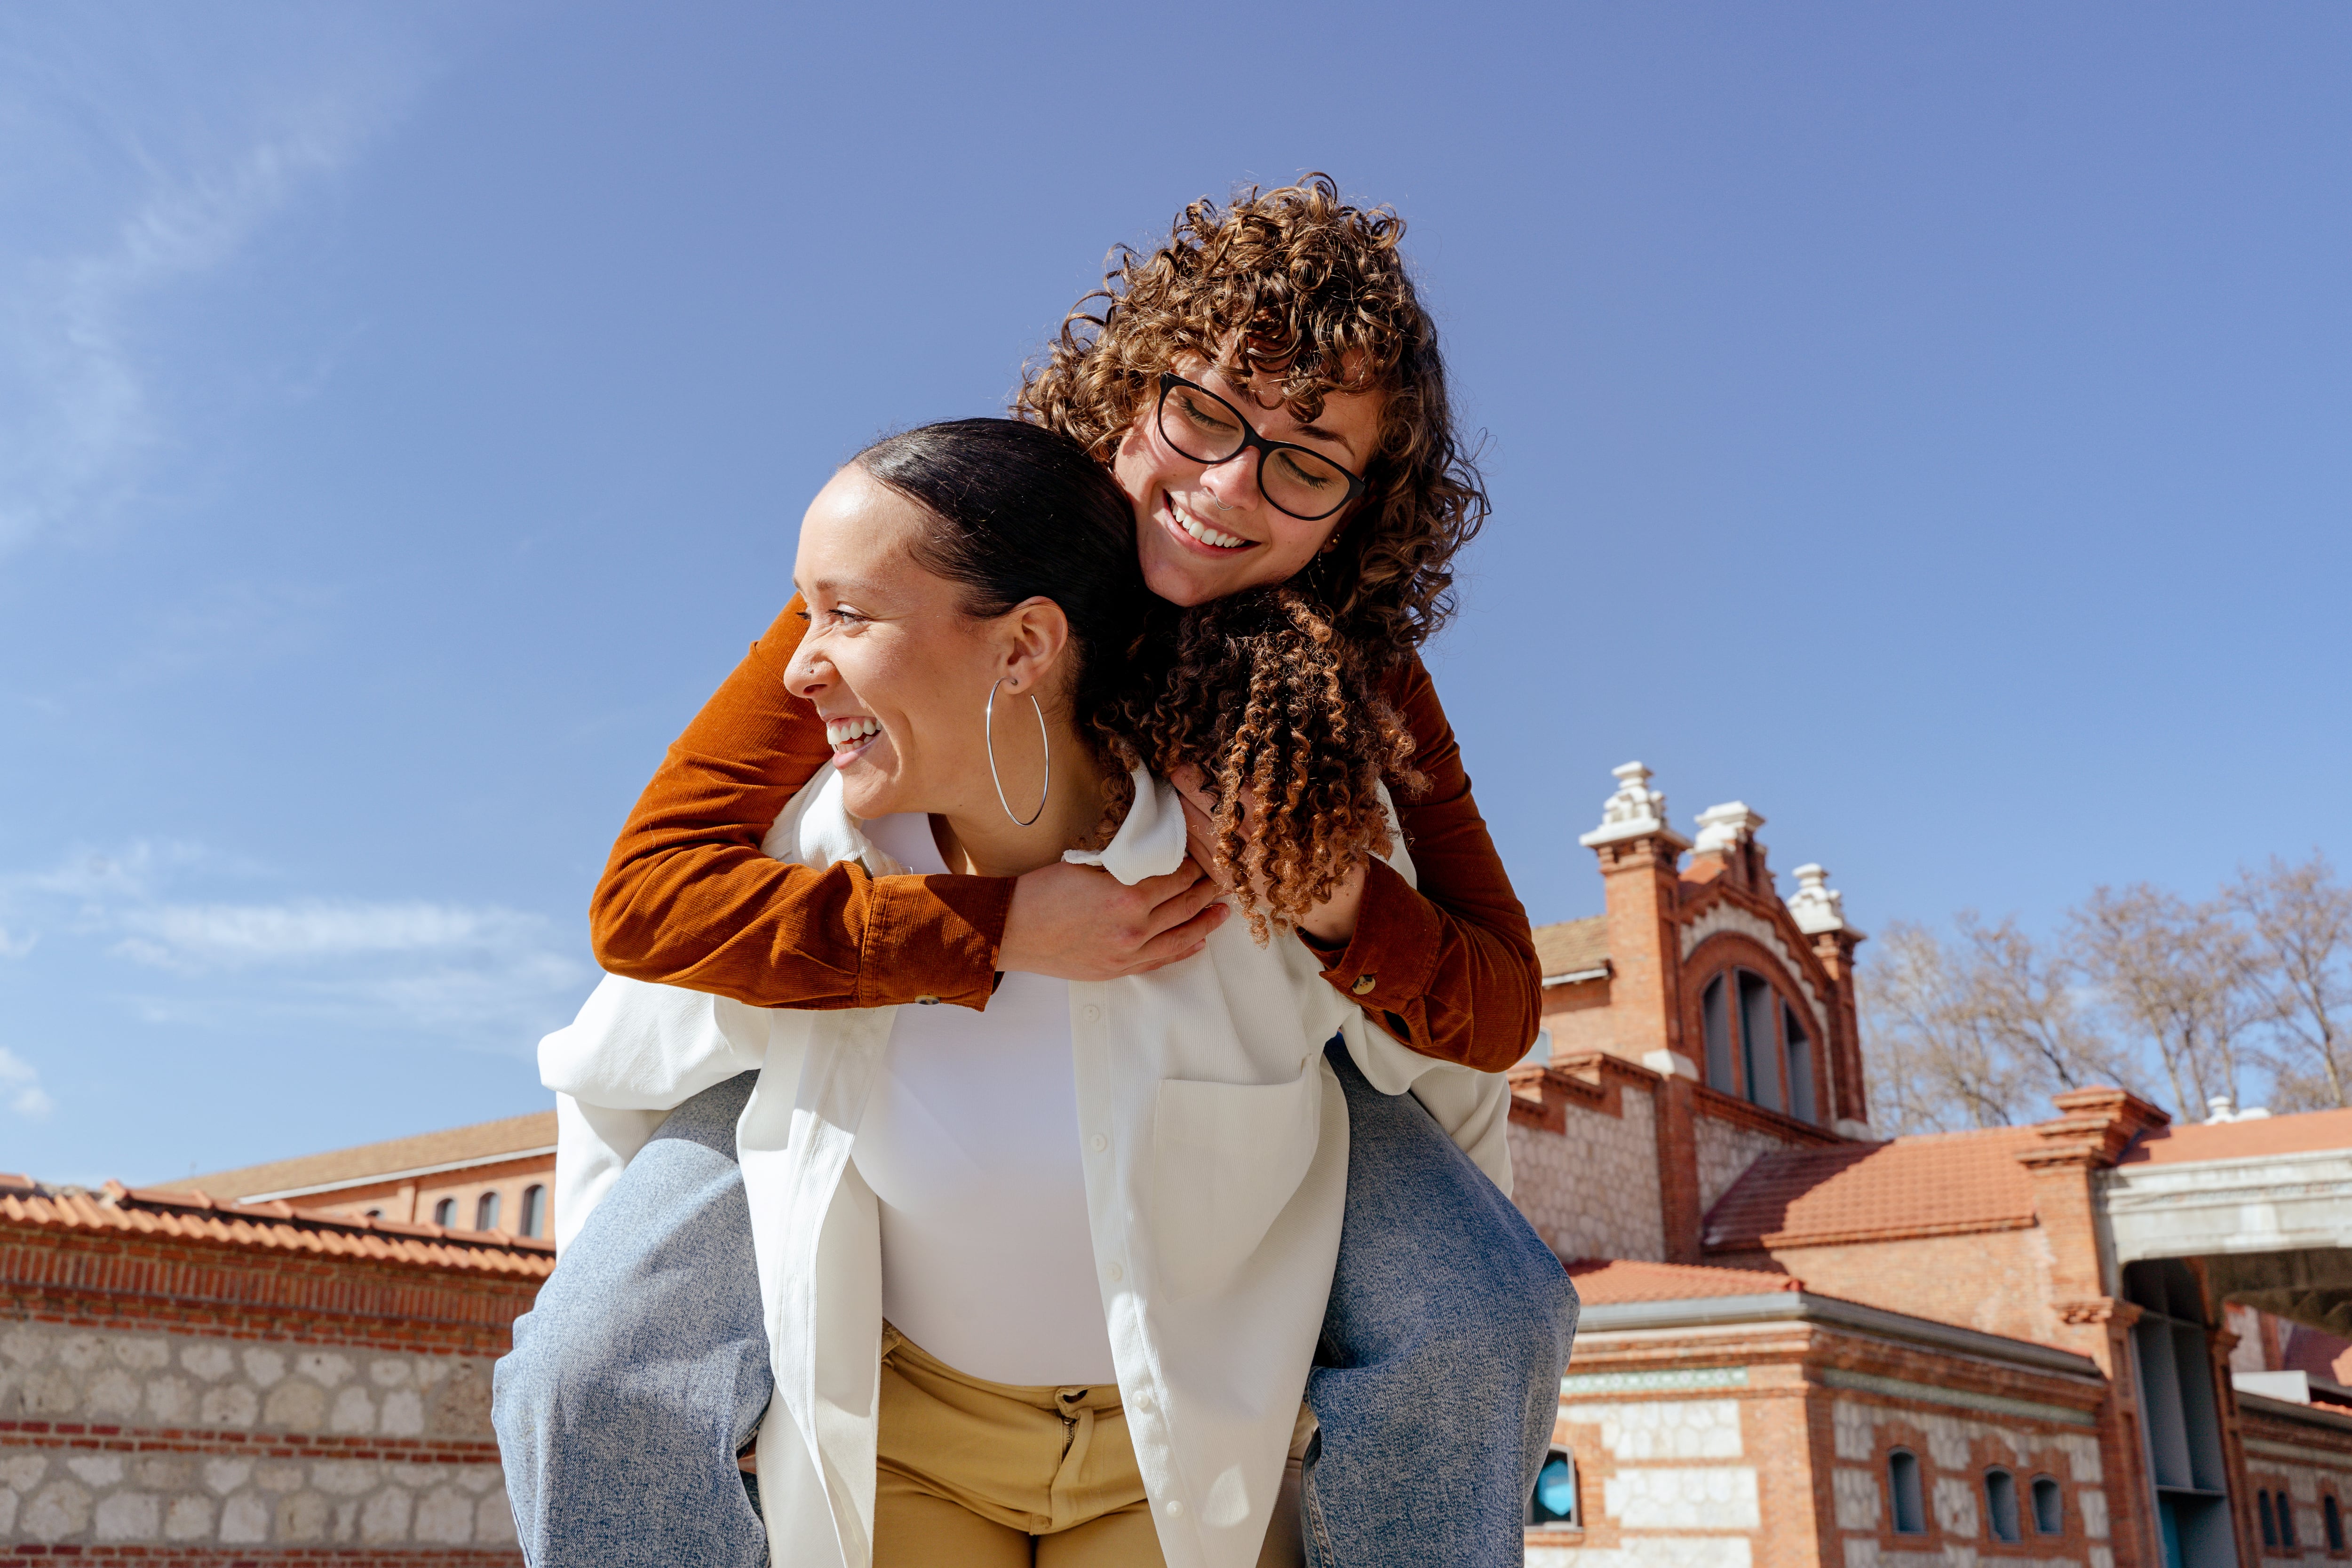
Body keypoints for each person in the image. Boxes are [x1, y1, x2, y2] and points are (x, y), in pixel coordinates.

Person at [504, 177, 1578, 1566]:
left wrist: (1332, 901)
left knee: (1489, 1309)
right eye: (1202, 413)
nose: (1225, 489)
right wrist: (999, 925)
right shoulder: (945, 550)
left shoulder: (1361, 672)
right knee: (589, 1365)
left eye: (1305, 464)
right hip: (834, 1051)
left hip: (1256, 1073)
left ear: (1360, 510)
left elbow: (1502, 1002)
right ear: (1132, 389)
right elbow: (651, 893)